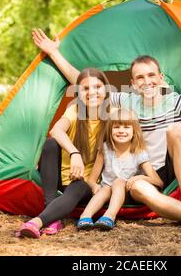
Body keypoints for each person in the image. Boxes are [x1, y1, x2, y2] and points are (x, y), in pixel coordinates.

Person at [31, 23, 181, 233]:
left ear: (160, 77)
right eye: (140, 78)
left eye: (151, 75)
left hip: (165, 167)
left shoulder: (177, 102)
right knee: (142, 189)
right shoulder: (126, 101)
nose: (147, 82)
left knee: (175, 129)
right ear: (132, 83)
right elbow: (85, 83)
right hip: (138, 172)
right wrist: (54, 52)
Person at [15, 67, 110, 238]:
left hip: (85, 183)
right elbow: (56, 130)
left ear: (106, 89)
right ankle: (52, 213)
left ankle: (37, 222)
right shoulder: (75, 110)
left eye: (97, 87)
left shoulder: (111, 116)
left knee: (78, 187)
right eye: (85, 88)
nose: (92, 92)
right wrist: (75, 153)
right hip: (60, 178)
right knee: (50, 144)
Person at [76, 108, 163, 230]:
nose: (121, 131)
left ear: (134, 131)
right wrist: (94, 186)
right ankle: (85, 216)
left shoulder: (138, 152)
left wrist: (141, 177)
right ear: (110, 130)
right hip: (105, 193)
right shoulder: (105, 149)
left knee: (119, 181)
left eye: (126, 127)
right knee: (106, 187)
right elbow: (91, 179)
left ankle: (109, 216)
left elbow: (158, 181)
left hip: (127, 193)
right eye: (117, 127)